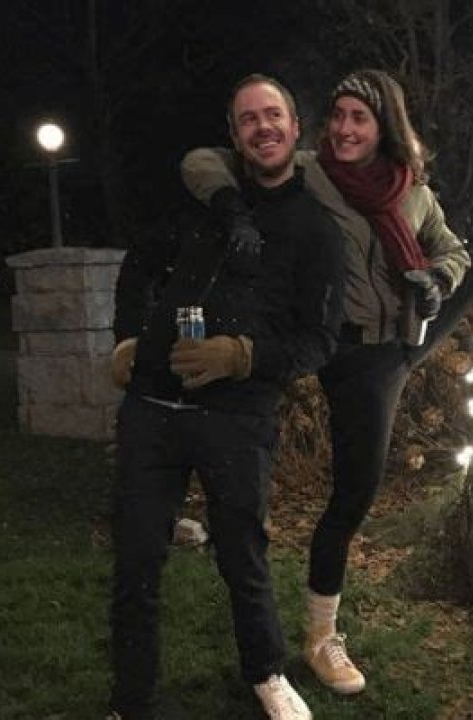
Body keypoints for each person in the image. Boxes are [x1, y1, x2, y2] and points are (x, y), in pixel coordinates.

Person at [181, 69, 473, 697]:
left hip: (405, 335)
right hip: (349, 354)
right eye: (337, 115)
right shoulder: (309, 172)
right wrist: (230, 205)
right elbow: (201, 161)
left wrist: (437, 280)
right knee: (354, 498)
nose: (343, 129)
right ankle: (321, 636)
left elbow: (450, 251)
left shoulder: (410, 189)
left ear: (384, 125)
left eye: (358, 118)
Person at [107, 73, 346, 720]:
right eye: (248, 119)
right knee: (136, 562)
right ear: (235, 137)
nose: (262, 127)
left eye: (273, 115)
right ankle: (130, 700)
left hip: (237, 417)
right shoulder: (204, 203)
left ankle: (265, 672)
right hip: (153, 409)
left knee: (243, 555)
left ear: (295, 129)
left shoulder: (316, 230)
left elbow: (320, 340)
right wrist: (127, 339)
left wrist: (244, 356)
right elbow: (138, 266)